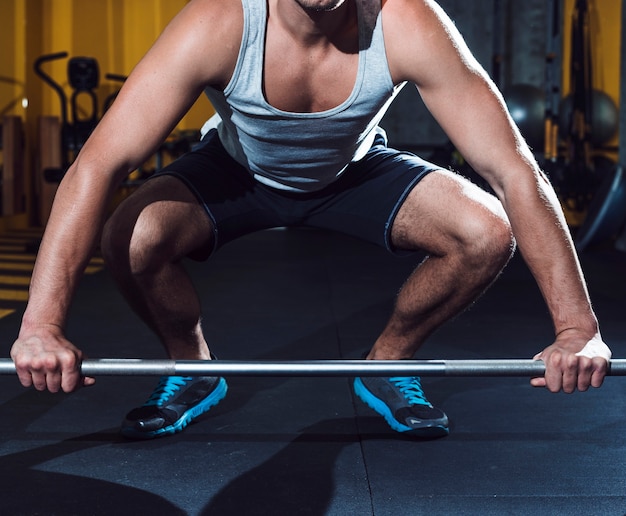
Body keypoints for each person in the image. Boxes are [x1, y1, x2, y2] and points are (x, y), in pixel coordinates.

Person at [11, 0, 611, 440]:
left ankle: (388, 364)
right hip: (236, 172)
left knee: (486, 232)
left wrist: (575, 328)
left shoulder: (407, 22)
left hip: (352, 173)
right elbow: (98, 165)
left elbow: (514, 171)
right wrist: (41, 324)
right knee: (130, 237)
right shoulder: (218, 23)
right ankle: (190, 366)